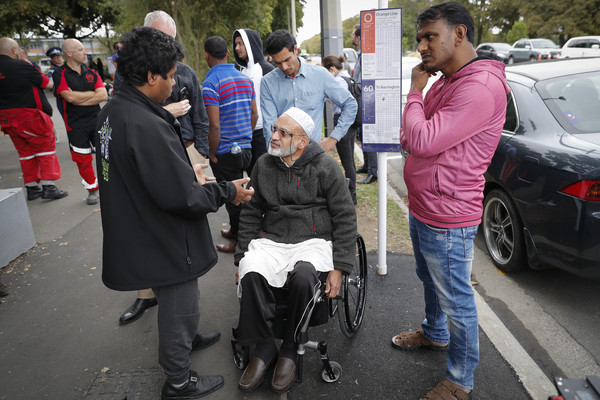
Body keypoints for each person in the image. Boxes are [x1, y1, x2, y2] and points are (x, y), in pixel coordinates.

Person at [95, 26, 254, 400]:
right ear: (150, 77)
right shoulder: (145, 124)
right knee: (179, 305)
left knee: (178, 304)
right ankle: (179, 380)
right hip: (163, 235)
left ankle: (187, 338)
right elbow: (184, 198)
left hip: (138, 225)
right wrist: (228, 190)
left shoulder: (113, 112)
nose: (173, 83)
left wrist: (184, 171)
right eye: (169, 76)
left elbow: (135, 172)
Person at [394, 3, 510, 399]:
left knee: (456, 298)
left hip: (447, 213)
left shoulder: (477, 87)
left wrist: (413, 90)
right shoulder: (446, 80)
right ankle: (433, 333)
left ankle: (460, 380)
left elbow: (422, 139)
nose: (422, 46)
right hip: (425, 204)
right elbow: (409, 137)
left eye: (430, 36)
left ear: (459, 34)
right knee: (430, 280)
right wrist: (419, 102)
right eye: (420, 38)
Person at [234, 107, 357, 393]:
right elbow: (252, 213)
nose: (273, 136)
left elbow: (345, 216)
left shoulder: (325, 167)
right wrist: (240, 259)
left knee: (303, 278)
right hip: (273, 238)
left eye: (282, 133)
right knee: (251, 272)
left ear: (302, 142)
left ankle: (290, 347)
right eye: (274, 129)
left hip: (313, 240)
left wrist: (340, 267)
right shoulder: (263, 165)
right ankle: (263, 349)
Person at [118, 9, 212, 325]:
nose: (167, 47)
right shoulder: (127, 84)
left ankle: (185, 311)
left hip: (185, 150)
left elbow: (200, 114)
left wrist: (200, 151)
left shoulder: (186, 72)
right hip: (152, 155)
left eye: (170, 41)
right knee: (153, 228)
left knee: (183, 228)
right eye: (160, 40)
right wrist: (166, 112)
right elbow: (128, 115)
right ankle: (149, 294)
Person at [202, 35, 258, 254]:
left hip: (224, 150)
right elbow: (254, 114)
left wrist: (212, 154)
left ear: (207, 55)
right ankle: (238, 233)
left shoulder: (211, 83)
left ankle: (238, 241)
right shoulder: (245, 79)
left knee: (232, 197)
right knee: (242, 193)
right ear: (227, 53)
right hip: (246, 148)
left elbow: (214, 126)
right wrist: (247, 137)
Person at [260, 29, 356, 153]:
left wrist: (333, 139)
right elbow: (269, 125)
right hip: (282, 155)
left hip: (313, 155)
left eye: (287, 60)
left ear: (295, 50)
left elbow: (350, 104)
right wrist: (274, 154)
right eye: (278, 63)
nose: (284, 67)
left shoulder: (320, 75)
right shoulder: (267, 82)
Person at [0, 37, 67, 200]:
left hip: (7, 119)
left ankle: (32, 188)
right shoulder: (22, 65)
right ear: (14, 50)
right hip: (30, 115)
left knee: (25, 153)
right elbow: (47, 84)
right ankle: (49, 186)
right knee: (45, 149)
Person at [53, 38, 107, 205]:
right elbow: (67, 96)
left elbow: (103, 95)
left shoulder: (92, 73)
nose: (85, 52)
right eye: (80, 49)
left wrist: (77, 98)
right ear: (69, 53)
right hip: (75, 124)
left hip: (97, 120)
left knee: (107, 154)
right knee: (83, 159)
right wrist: (92, 95)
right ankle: (92, 189)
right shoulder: (59, 74)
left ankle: (111, 186)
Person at [232, 28, 275, 175]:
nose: (237, 48)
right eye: (236, 44)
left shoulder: (267, 69)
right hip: (243, 134)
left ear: (251, 44)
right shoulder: (237, 71)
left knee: (265, 175)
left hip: (264, 133)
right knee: (250, 176)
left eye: (241, 43)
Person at [321, 55, 357, 204]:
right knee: (351, 160)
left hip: (342, 121)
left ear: (331, 69)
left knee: (346, 161)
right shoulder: (349, 77)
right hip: (353, 122)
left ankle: (351, 196)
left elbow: (333, 99)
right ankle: (352, 193)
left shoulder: (338, 81)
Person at [352, 25, 377, 185]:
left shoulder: (366, 55)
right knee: (363, 134)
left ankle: (374, 171)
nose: (351, 37)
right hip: (362, 98)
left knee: (370, 135)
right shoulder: (360, 54)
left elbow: (363, 80)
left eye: (353, 35)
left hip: (367, 98)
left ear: (359, 37)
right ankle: (367, 165)